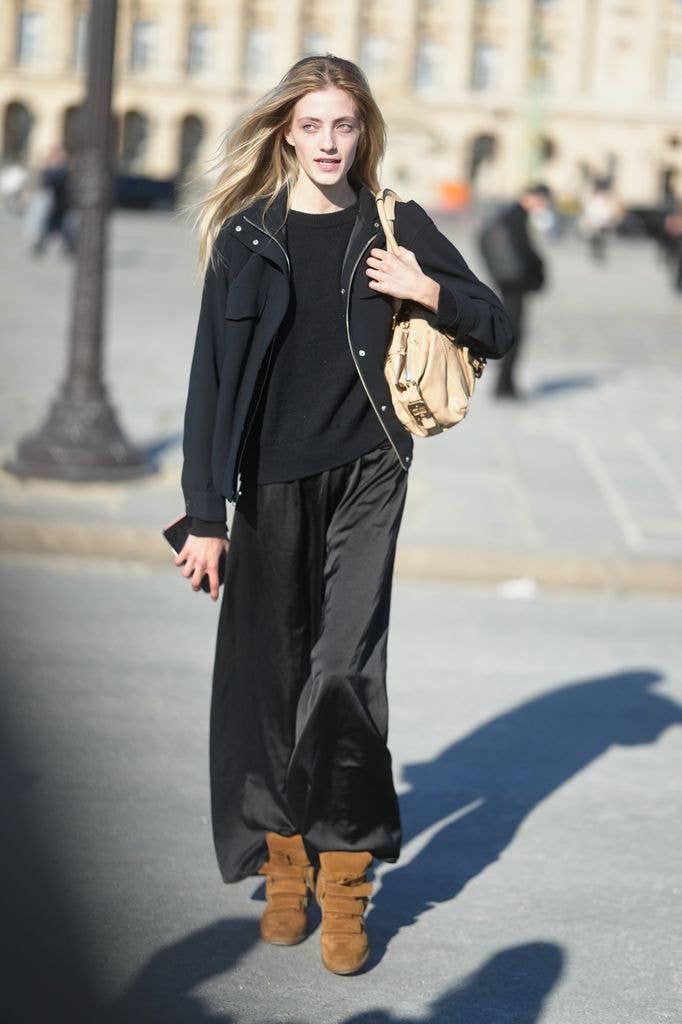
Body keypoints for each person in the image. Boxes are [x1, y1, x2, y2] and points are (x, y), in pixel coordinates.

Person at [175, 54, 514, 976]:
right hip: (269, 482)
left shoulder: (393, 225)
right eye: (313, 125)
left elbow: (495, 322)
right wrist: (206, 516)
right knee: (271, 676)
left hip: (369, 473)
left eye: (345, 126)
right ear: (288, 130)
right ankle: (286, 863)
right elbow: (209, 385)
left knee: (344, 672)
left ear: (364, 132)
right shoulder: (246, 237)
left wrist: (425, 289)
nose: (330, 142)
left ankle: (348, 873)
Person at [478, 183, 551, 399]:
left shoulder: (510, 215)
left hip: (510, 282)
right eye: (542, 199)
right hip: (515, 284)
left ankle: (506, 383)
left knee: (513, 331)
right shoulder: (515, 217)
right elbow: (524, 252)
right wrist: (535, 273)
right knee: (514, 333)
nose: (542, 205)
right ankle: (504, 386)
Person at [30, 144, 77, 257]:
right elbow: (44, 184)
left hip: (63, 205)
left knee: (65, 228)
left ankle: (69, 247)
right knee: (50, 227)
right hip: (54, 206)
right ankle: (40, 246)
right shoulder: (53, 171)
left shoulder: (63, 171)